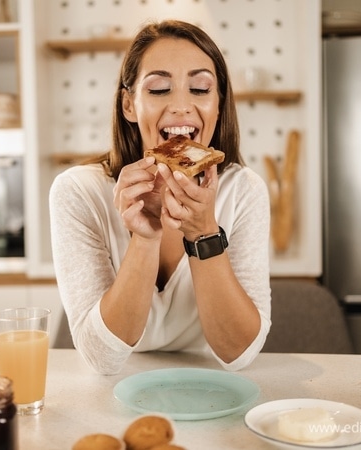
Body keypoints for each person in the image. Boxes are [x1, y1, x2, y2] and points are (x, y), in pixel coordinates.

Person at [49, 20, 271, 375]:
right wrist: (145, 237)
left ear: (218, 106)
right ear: (129, 105)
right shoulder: (78, 193)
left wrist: (203, 233)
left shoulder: (243, 191)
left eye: (200, 89)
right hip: (112, 391)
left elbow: (239, 354)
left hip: (210, 387)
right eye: (159, 89)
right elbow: (102, 360)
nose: (181, 106)